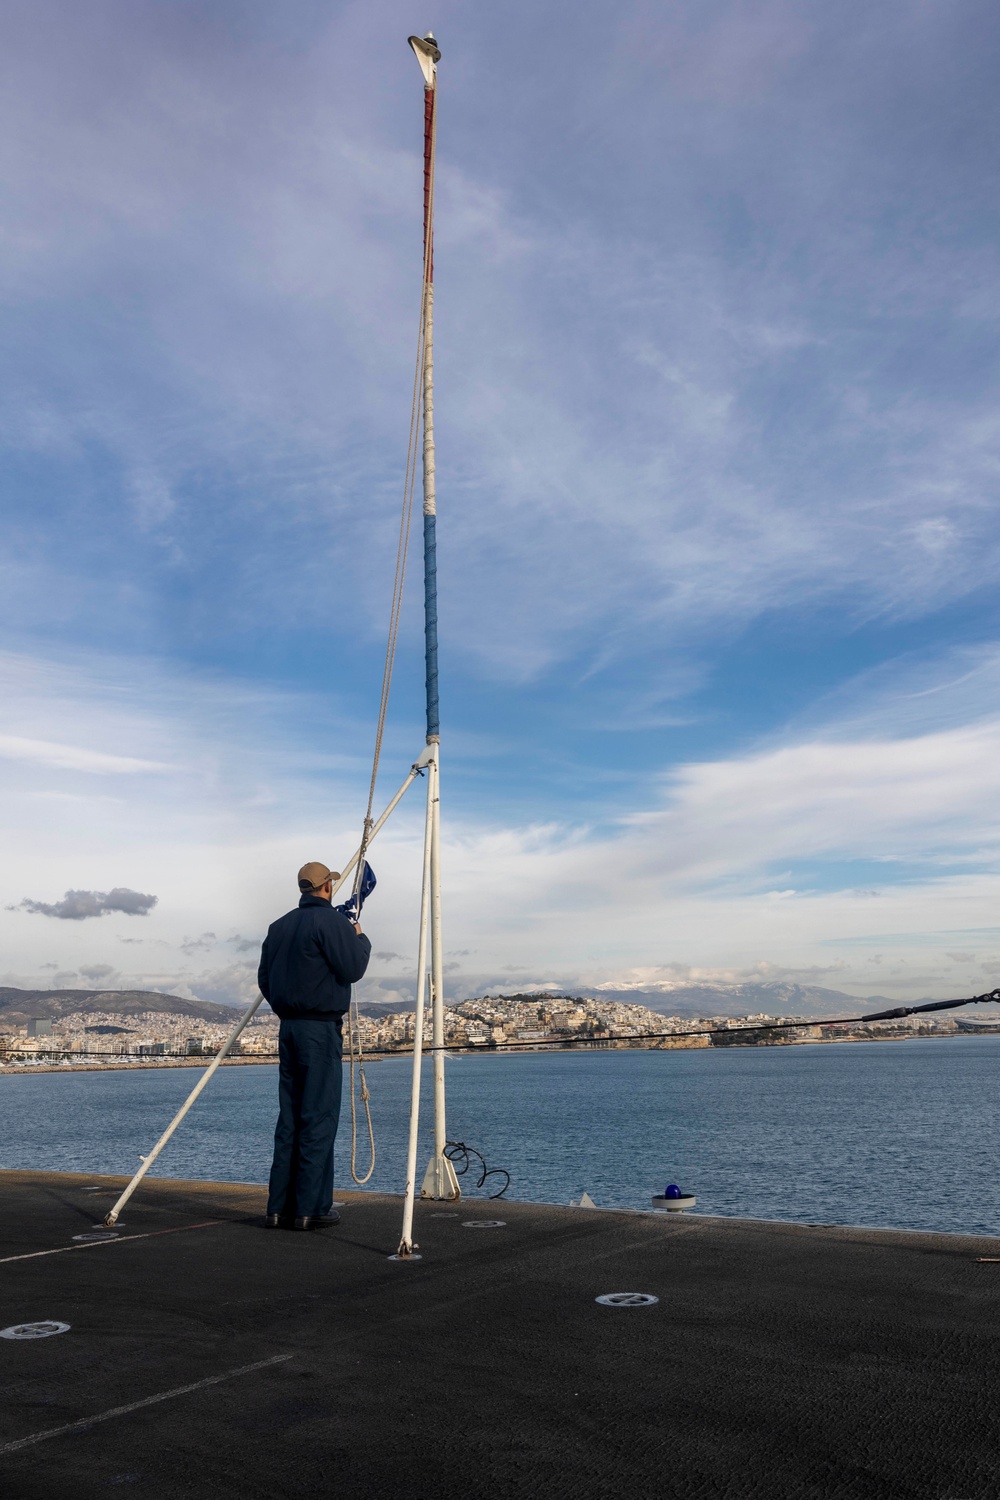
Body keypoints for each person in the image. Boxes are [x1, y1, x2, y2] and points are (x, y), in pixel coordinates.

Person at [257, 860, 372, 1230]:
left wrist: (285, 1008)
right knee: (318, 1117)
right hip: (320, 1031)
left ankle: (278, 1209)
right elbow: (353, 968)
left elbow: (264, 979)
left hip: (288, 1029)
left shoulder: (278, 927)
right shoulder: (332, 923)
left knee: (289, 1119)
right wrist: (360, 937)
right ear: (327, 888)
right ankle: (311, 1209)